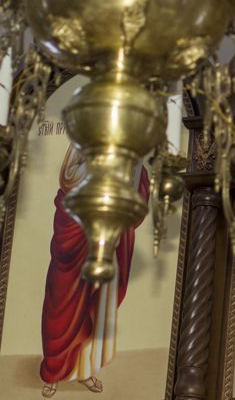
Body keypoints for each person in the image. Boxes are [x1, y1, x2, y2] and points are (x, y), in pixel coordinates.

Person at [39, 144, 149, 397]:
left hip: (107, 233)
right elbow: (68, 176)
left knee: (97, 302)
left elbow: (135, 188)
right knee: (61, 302)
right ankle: (53, 371)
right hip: (75, 229)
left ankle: (84, 369)